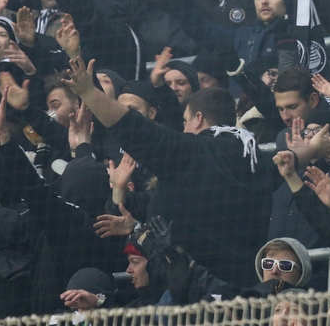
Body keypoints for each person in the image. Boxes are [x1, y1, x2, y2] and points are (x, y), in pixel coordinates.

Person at [64, 57, 275, 287]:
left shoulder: (191, 151)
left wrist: (89, 92)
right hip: (249, 285)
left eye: (184, 122)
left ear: (198, 118)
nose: (183, 129)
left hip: (203, 295)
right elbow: (288, 160)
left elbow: (132, 128)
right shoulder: (257, 160)